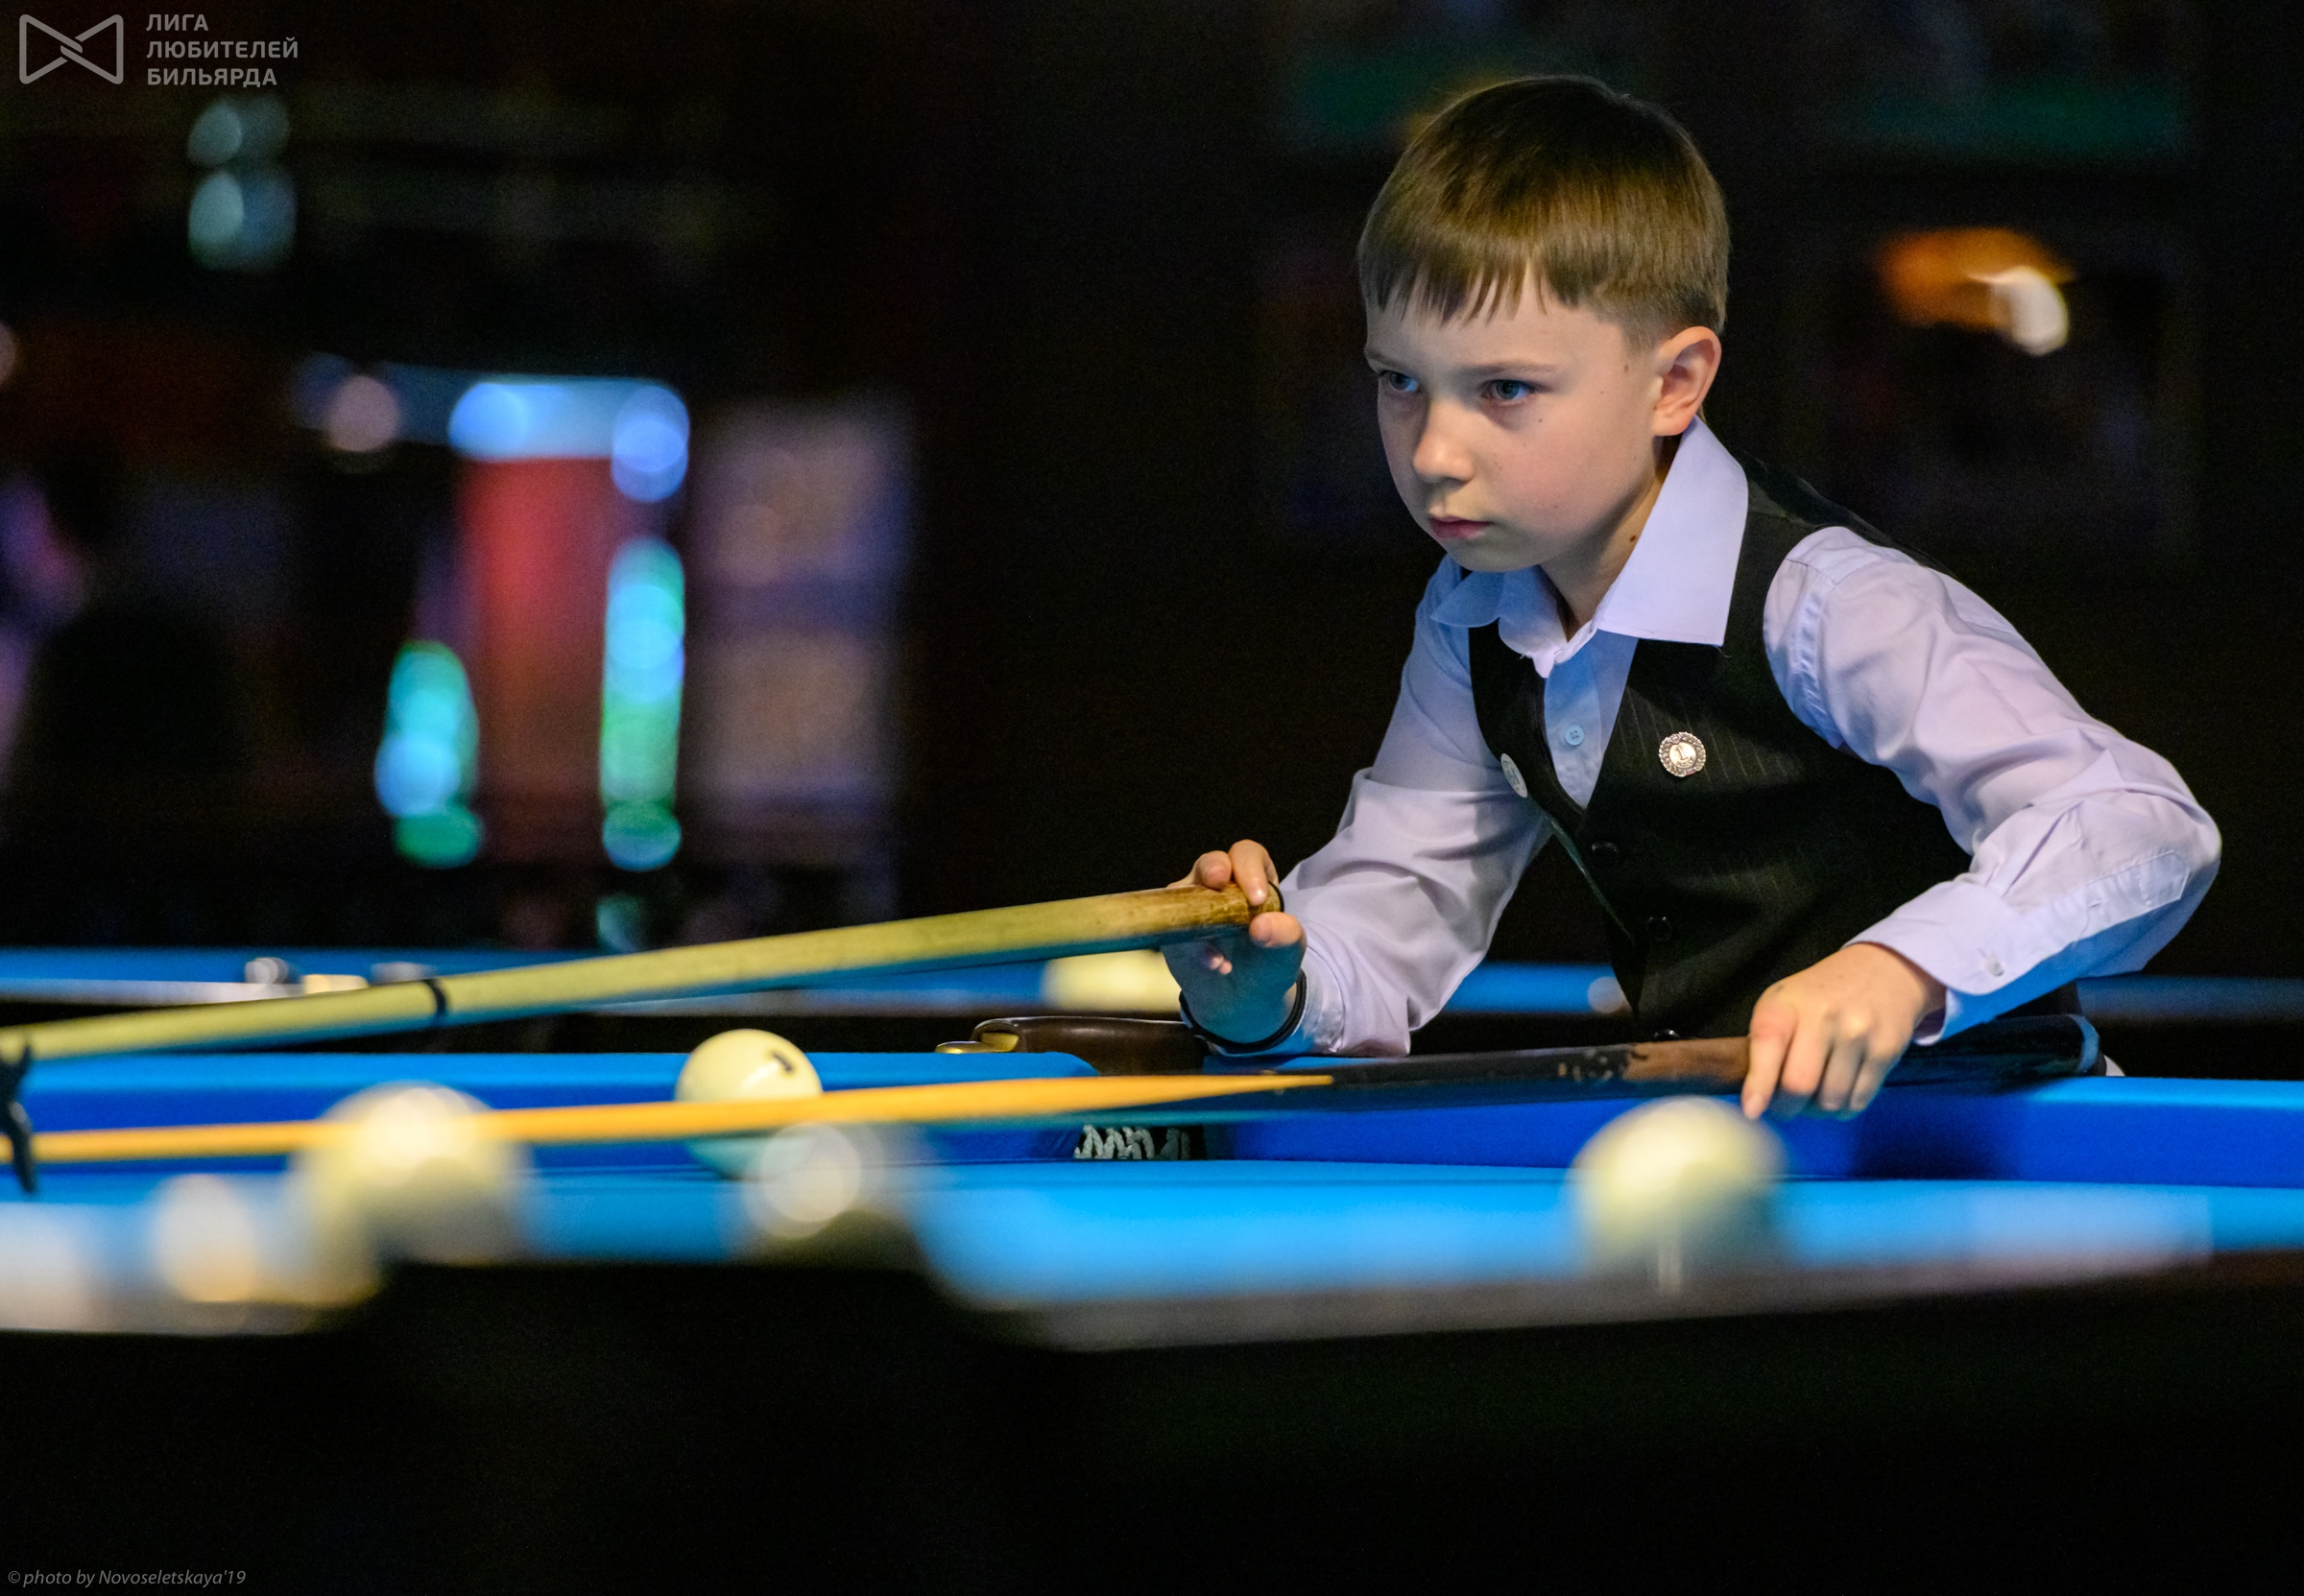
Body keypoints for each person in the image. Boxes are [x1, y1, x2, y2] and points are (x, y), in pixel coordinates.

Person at [1164, 77, 2218, 1119]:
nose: (1435, 452)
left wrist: (1902, 969)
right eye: (1401, 381)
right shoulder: (1473, 614)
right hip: (1729, 1160)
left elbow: (2143, 825)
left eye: (1505, 389)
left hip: (1988, 1156)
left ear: (1674, 383)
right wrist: (1271, 990)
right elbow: (1398, 901)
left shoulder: (1828, 602)